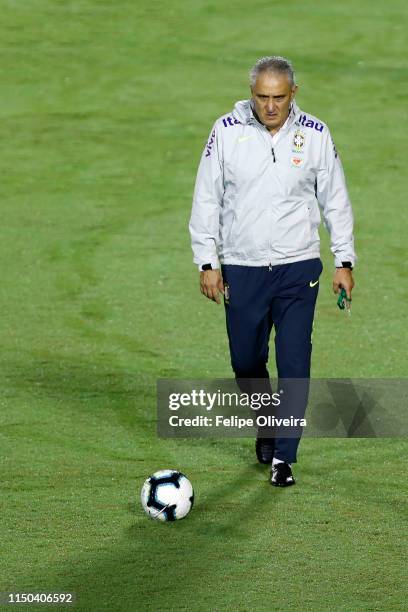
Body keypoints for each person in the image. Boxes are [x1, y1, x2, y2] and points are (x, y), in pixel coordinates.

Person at [189, 56, 356, 486]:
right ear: (251, 94)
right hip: (241, 267)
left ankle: (284, 456)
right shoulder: (226, 132)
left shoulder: (315, 134)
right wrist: (207, 261)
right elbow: (206, 197)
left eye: (278, 97)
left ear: (293, 94)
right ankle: (266, 424)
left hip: (298, 267)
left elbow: (335, 199)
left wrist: (344, 259)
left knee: (295, 361)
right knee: (246, 362)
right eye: (262, 97)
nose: (270, 106)